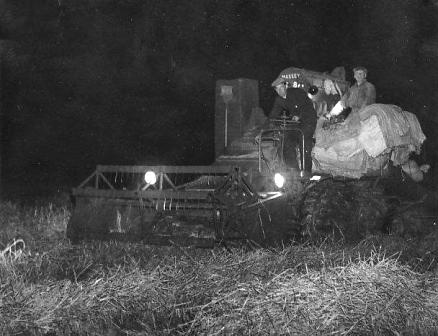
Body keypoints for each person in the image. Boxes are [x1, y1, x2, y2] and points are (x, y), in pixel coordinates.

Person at [270, 77, 317, 172]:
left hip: (308, 120)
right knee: (286, 143)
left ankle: (306, 174)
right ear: (275, 90)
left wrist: (299, 115)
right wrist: (265, 128)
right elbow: (273, 115)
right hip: (296, 124)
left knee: (304, 146)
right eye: (277, 89)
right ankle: (294, 171)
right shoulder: (279, 100)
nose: (280, 90)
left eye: (281, 87)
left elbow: (308, 106)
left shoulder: (297, 92)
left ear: (285, 86)